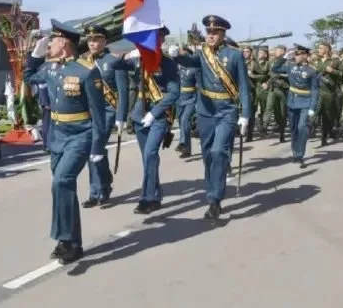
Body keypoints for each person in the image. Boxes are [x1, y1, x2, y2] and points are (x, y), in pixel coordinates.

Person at [25, 19, 107, 265]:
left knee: (62, 181)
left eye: (54, 40)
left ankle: (63, 240)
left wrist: (97, 148)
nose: (50, 43)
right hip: (57, 136)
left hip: (80, 135)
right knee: (64, 188)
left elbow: (99, 114)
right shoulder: (51, 68)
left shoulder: (86, 71)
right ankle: (75, 245)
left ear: (66, 44)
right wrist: (35, 55)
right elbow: (29, 77)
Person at [170, 15, 250, 220]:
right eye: (208, 32)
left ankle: (215, 199)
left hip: (226, 110)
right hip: (205, 111)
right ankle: (212, 193)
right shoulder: (202, 54)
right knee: (207, 156)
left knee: (218, 152)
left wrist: (245, 114)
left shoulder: (235, 55)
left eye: (215, 32)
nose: (211, 36)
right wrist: (176, 55)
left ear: (223, 34)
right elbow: (188, 60)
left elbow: (243, 87)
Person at [114, 25, 179, 215]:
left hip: (158, 116)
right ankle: (156, 194)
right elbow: (113, 65)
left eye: (156, 38)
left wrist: (154, 113)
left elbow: (174, 92)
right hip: (139, 114)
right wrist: (128, 54)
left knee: (151, 154)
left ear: (162, 40)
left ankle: (147, 198)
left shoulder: (167, 63)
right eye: (149, 38)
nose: (153, 42)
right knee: (147, 158)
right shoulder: (137, 59)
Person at [78, 24, 129, 208]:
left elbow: (123, 91)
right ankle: (102, 184)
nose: (93, 43)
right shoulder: (82, 61)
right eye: (90, 40)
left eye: (97, 39)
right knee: (94, 151)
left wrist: (121, 116)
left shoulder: (114, 60)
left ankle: (98, 191)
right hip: (89, 112)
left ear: (104, 41)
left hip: (108, 111)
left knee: (95, 148)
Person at [270, 44, 320, 166]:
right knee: (293, 130)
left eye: (298, 54)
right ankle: (295, 152)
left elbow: (315, 90)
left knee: (302, 127)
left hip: (305, 102)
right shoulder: (290, 66)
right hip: (292, 101)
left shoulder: (312, 71)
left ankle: (300, 154)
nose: (295, 56)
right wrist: (284, 57)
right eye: (295, 54)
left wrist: (312, 107)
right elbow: (275, 68)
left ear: (305, 56)